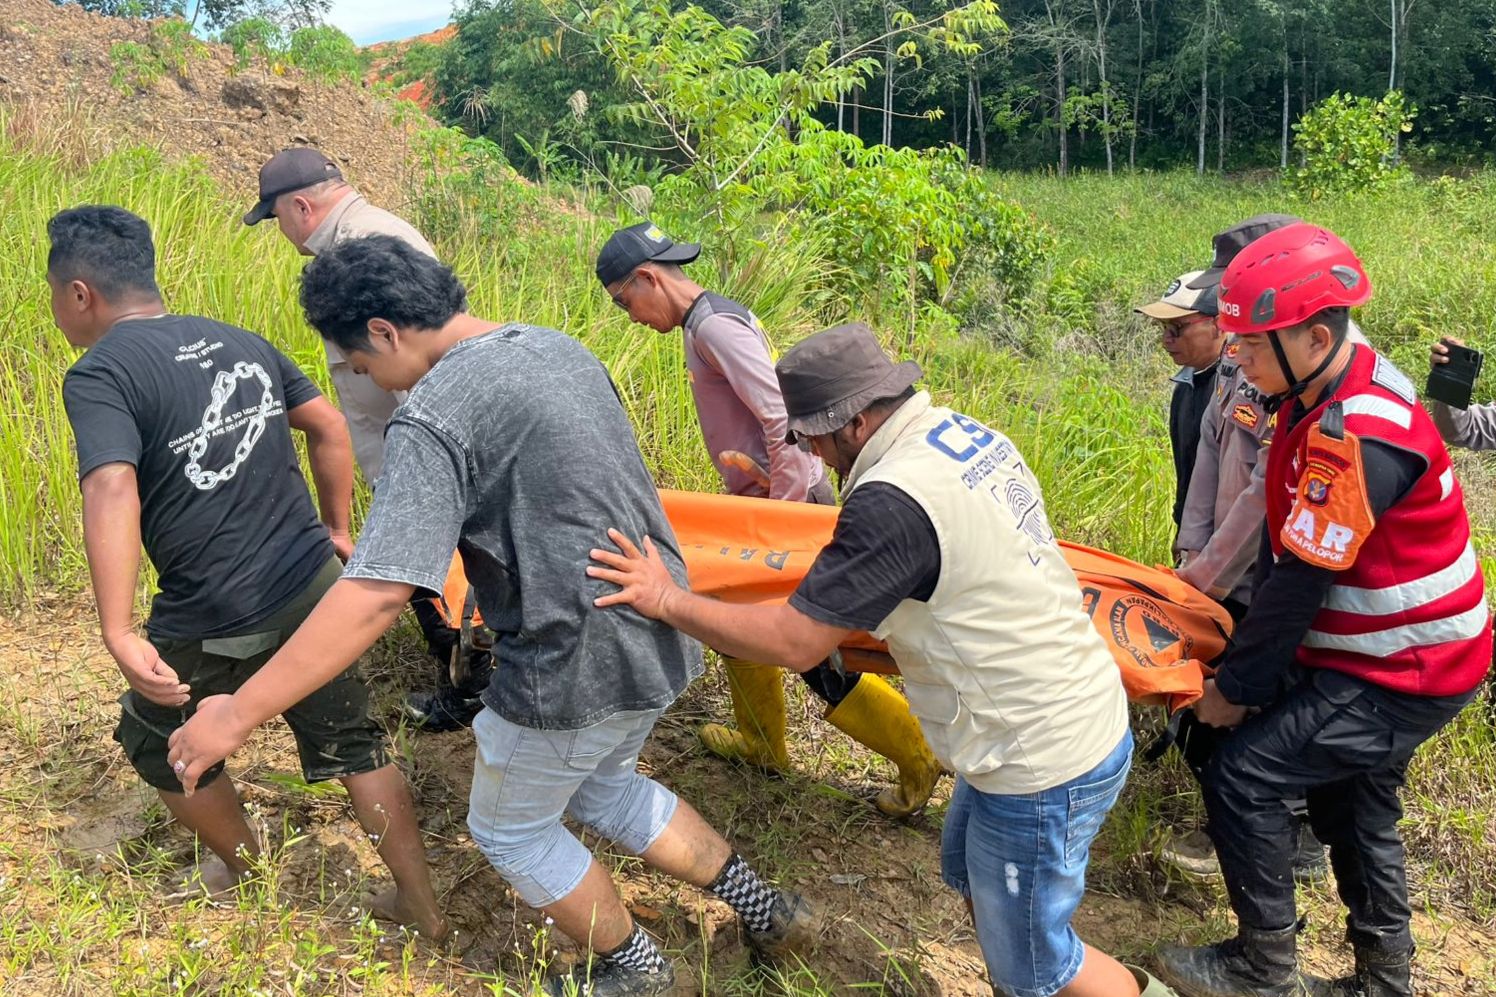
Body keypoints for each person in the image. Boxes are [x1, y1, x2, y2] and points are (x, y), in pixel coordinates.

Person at [167, 236, 818, 997]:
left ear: (383, 330)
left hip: (573, 655)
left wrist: (239, 711)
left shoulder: (436, 415)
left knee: (511, 828)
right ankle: (767, 909)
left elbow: (376, 590)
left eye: (357, 363)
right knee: (606, 784)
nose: (365, 379)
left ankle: (636, 969)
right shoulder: (556, 347)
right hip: (660, 622)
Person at [588, 323, 1176, 997]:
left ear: (856, 421)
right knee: (979, 895)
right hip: (1036, 719)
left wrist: (667, 598)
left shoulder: (896, 500)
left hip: (1038, 758)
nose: (810, 453)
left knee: (1039, 963)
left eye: (812, 436)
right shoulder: (958, 435)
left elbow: (796, 642)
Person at [50, 206, 446, 939]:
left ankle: (249, 871)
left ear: (80, 294)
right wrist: (336, 527)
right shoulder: (238, 338)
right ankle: (422, 905)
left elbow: (110, 486)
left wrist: (114, 626)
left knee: (151, 736)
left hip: (213, 609)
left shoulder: (100, 372)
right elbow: (328, 424)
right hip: (311, 587)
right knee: (355, 746)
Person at [1156, 223, 1491, 997]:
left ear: (1312, 336)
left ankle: (1260, 971)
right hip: (1407, 651)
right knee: (1355, 802)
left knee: (1243, 775)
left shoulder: (1354, 433)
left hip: (1405, 665)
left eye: (1249, 343)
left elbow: (1296, 581)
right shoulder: (1327, 384)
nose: (1234, 357)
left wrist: (1231, 692)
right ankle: (1385, 981)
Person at [595, 222, 938, 818]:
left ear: (648, 278)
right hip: (769, 505)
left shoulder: (714, 328)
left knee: (812, 653)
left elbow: (785, 421)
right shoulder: (705, 321)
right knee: (737, 625)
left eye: (627, 301)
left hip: (786, 511)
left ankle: (917, 754)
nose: (630, 316)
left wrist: (772, 517)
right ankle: (762, 743)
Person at [245, 146, 491, 732]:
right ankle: (469, 678)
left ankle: (470, 690)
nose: (279, 230)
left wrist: (425, 459)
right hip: (407, 439)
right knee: (435, 563)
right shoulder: (363, 233)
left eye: (275, 216)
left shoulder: (363, 243)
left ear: (301, 205)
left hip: (420, 441)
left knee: (424, 564)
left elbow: (417, 354)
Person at [1135, 270, 1226, 549]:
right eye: (1163, 328)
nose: (1166, 340)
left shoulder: (1242, 393)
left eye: (1177, 327)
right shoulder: (1186, 385)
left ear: (1220, 324)